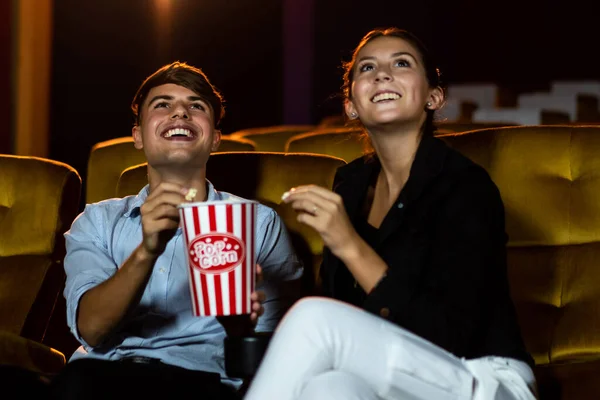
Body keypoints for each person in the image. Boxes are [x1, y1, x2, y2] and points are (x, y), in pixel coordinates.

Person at [244, 28, 538, 400]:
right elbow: (346, 315)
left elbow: (452, 333)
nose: (382, 74)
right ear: (351, 104)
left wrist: (349, 243)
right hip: (400, 379)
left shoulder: (465, 185)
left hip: (484, 377)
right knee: (328, 387)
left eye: (401, 63)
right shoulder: (350, 186)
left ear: (433, 96)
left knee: (312, 319)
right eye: (367, 68)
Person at [50, 62, 303, 399]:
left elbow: (279, 355)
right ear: (138, 135)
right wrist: (147, 250)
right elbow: (92, 330)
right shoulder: (96, 221)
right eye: (163, 104)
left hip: (202, 383)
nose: (180, 113)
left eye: (196, 106)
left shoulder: (257, 223)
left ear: (214, 138)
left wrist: (240, 328)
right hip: (102, 377)